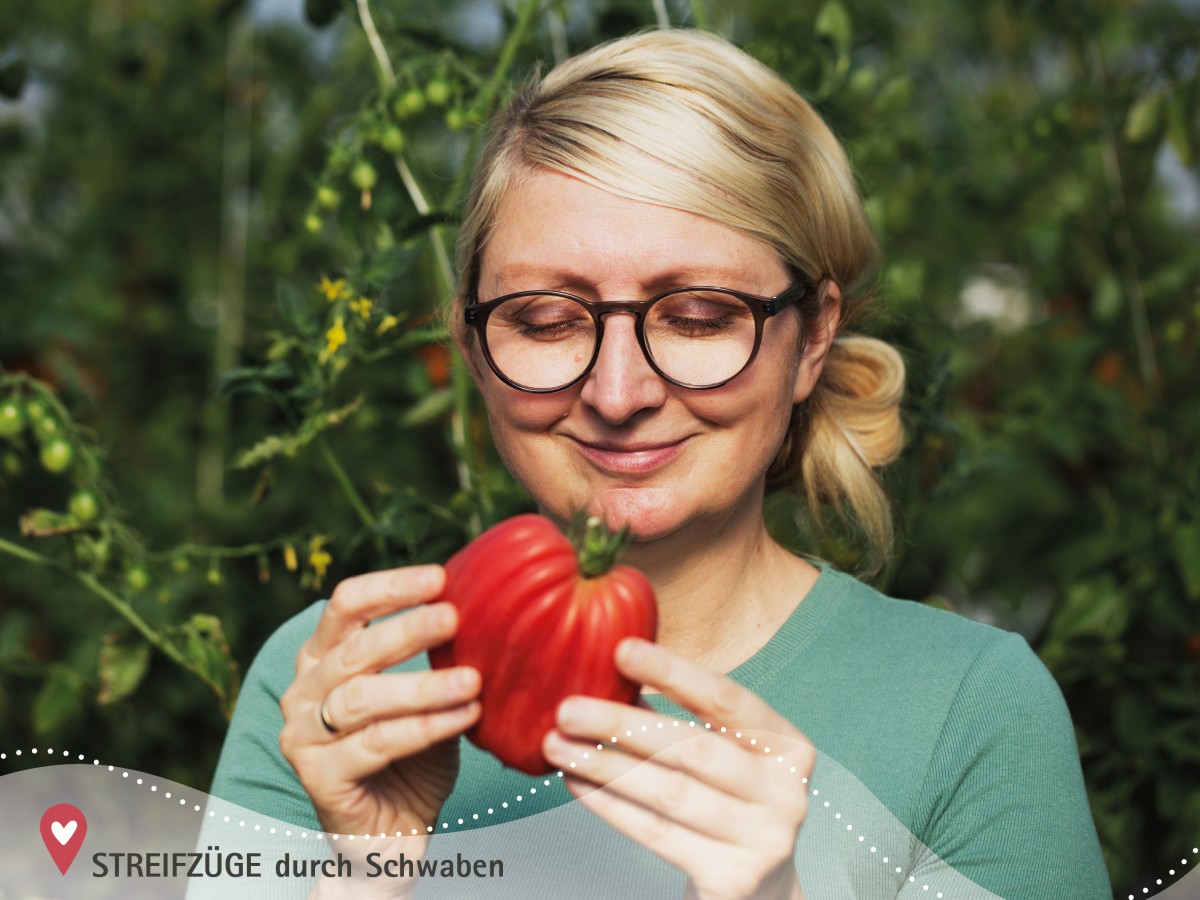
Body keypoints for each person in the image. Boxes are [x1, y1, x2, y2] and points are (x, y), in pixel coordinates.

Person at [205, 28, 1112, 899]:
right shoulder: (336, 685)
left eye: (698, 316)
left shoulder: (968, 712)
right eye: (548, 320)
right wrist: (361, 876)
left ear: (812, 339)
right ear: (473, 346)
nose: (618, 390)